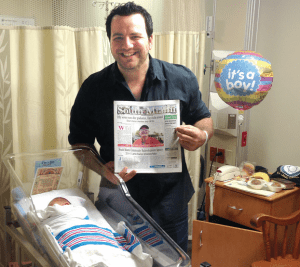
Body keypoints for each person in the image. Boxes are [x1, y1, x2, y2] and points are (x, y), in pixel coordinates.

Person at [68, 2, 213, 252]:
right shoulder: (93, 88)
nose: (126, 45)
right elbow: (79, 144)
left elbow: (203, 117)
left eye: (135, 36)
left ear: (150, 40)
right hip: (118, 201)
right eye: (118, 37)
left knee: (171, 260)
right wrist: (102, 169)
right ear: (110, 42)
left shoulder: (181, 78)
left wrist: (202, 134)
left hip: (170, 203)